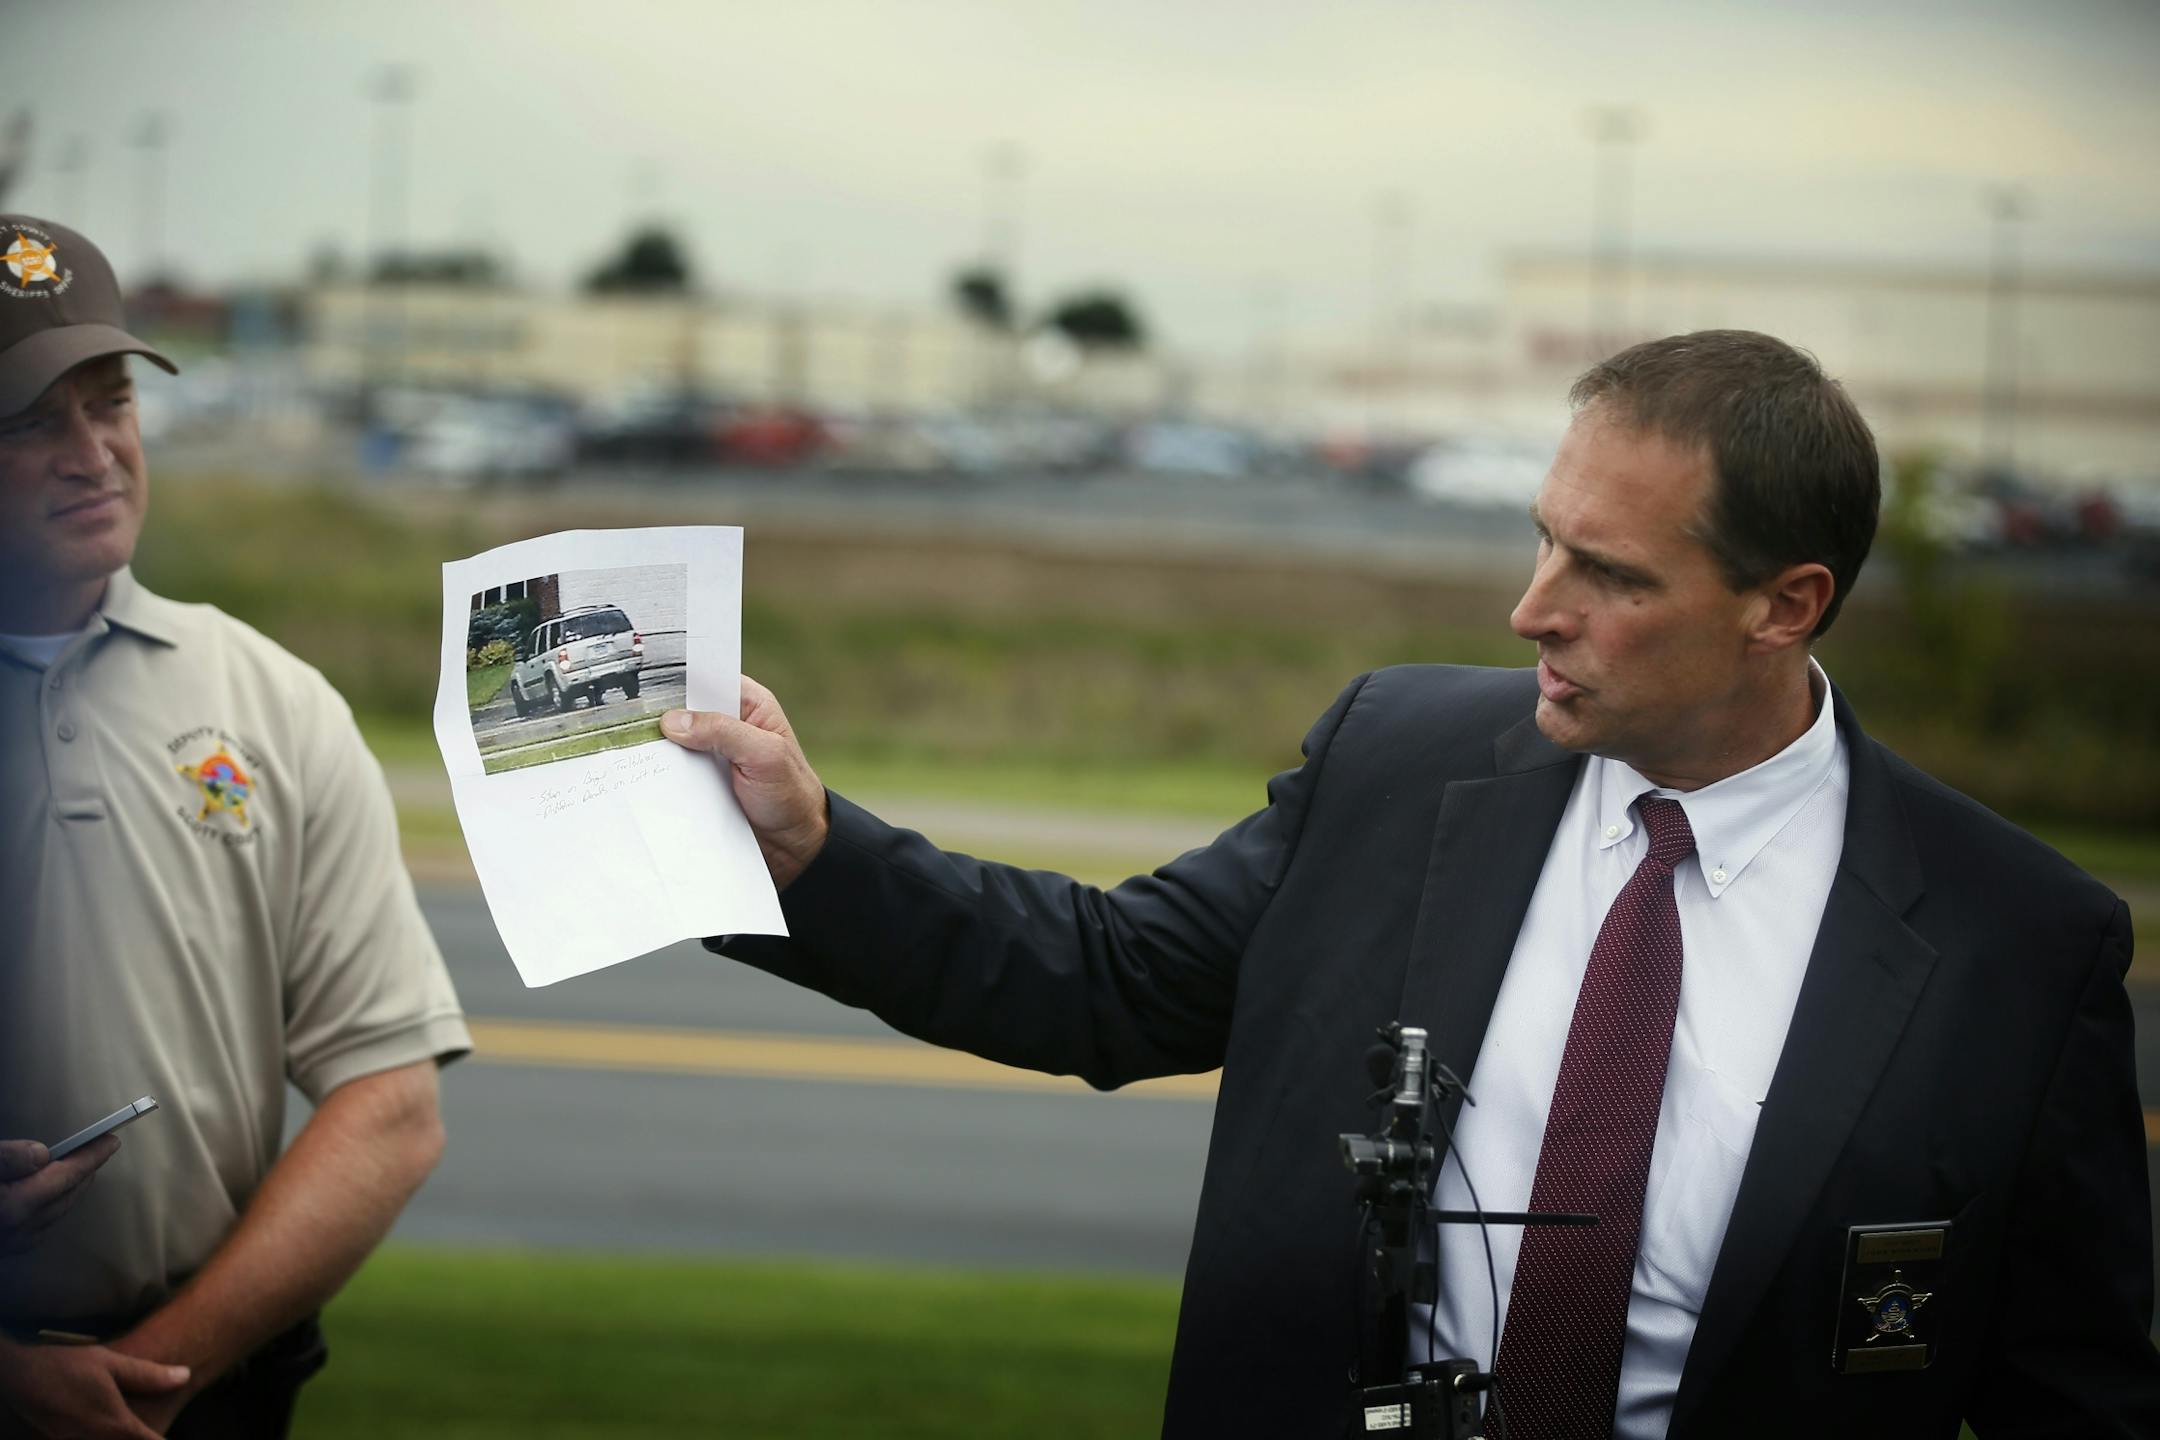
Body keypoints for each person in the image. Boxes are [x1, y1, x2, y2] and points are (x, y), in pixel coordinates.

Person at [662, 329, 2158, 1438]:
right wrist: (807, 844)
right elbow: (1107, 982)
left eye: (1612, 576)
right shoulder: (1396, 761)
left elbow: (2074, 1394)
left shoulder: (2014, 945)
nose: (1533, 611)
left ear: (1787, 607)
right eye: (1541, 542)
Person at [0, 215, 471, 1439]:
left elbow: (390, 1103)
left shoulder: (271, 701)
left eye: (111, 404)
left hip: (204, 1393)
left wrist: (153, 1381)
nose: (91, 453)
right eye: (30, 419)